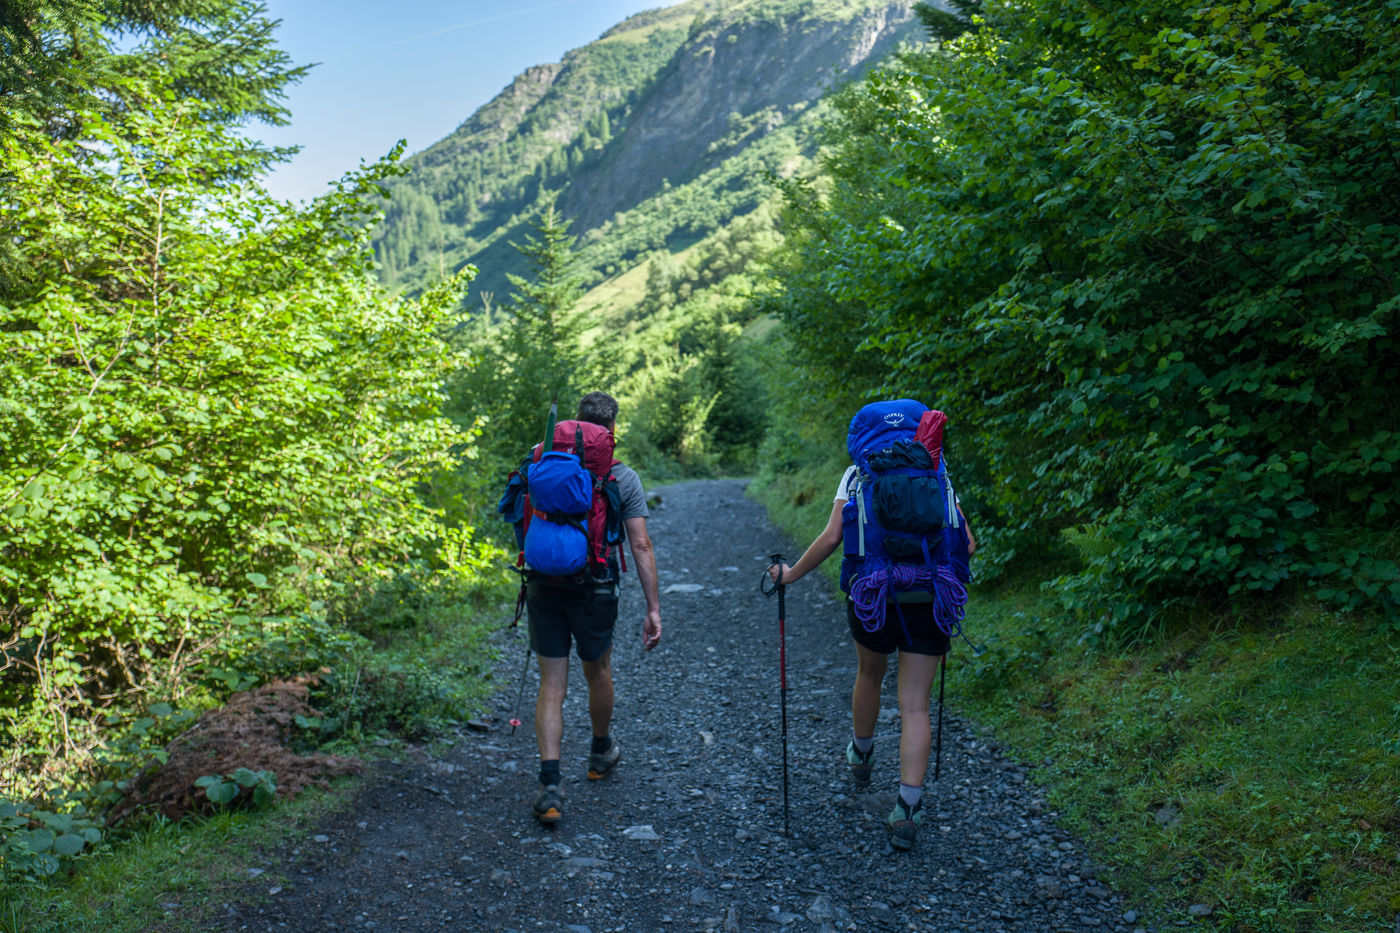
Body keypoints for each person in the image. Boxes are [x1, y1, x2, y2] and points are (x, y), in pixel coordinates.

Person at [767, 422, 975, 851]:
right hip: (930, 597)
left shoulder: (857, 473)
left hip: (873, 595)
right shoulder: (936, 470)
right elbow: (967, 544)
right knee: (915, 704)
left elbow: (832, 537)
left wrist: (790, 575)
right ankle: (908, 808)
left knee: (870, 673)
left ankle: (861, 754)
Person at [529, 391, 662, 825]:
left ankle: (550, 786)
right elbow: (640, 545)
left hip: (543, 583)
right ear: (612, 430)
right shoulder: (621, 477)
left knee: (552, 685)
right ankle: (600, 751)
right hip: (596, 588)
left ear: (576, 423)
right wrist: (653, 607)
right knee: (598, 671)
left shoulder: (543, 461)